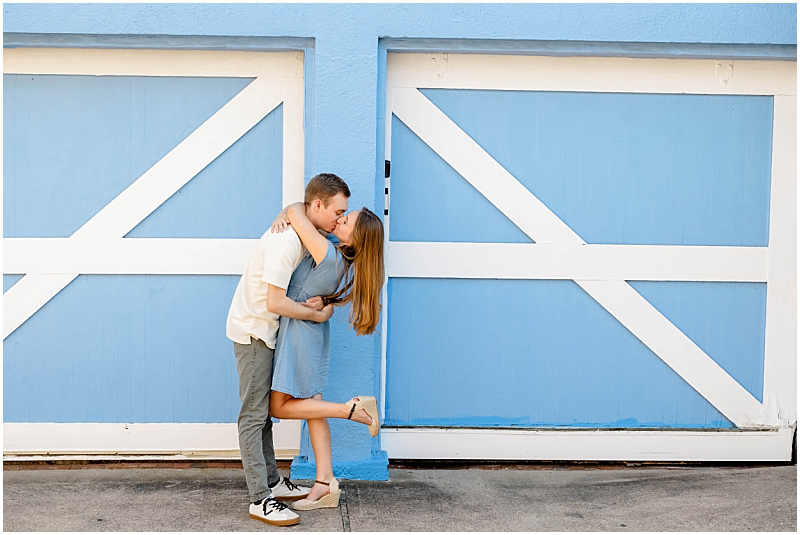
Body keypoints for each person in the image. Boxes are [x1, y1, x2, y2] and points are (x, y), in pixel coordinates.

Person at [225, 173, 350, 526]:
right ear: (318, 205)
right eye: (337, 212)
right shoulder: (287, 242)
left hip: (266, 332)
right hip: (253, 331)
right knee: (254, 415)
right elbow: (276, 301)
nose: (340, 219)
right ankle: (259, 500)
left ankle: (272, 482)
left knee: (263, 413)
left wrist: (325, 305)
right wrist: (316, 311)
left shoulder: (304, 233)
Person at [267, 201, 385, 510]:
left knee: (278, 407)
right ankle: (324, 482)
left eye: (346, 220)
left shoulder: (329, 253)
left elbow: (296, 211)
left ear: (356, 238)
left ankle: (353, 409)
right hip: (311, 334)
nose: (339, 220)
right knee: (313, 407)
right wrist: (326, 309)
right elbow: (327, 300)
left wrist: (286, 212)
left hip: (299, 335)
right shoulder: (340, 258)